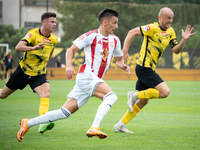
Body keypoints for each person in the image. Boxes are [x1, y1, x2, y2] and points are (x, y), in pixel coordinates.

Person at [17, 8, 130, 142]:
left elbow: (118, 60)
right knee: (111, 97)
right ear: (105, 22)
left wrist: (123, 66)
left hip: (92, 80)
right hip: (87, 75)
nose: (116, 26)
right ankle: (94, 127)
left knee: (63, 113)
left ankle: (27, 123)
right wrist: (69, 66)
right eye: (114, 23)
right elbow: (71, 50)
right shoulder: (91, 35)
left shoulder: (115, 40)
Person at [113, 7, 195, 133]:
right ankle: (133, 95)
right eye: (168, 18)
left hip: (149, 69)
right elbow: (131, 32)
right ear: (160, 18)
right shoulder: (152, 28)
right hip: (143, 68)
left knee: (144, 100)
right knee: (165, 92)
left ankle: (120, 125)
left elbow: (176, 50)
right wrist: (124, 52)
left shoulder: (171, 32)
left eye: (172, 18)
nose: (170, 21)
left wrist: (183, 40)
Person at [0, 12, 58, 134]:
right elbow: (18, 47)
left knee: (46, 94)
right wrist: (33, 48)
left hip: (38, 74)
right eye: (52, 22)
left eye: (55, 22)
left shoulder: (54, 39)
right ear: (44, 22)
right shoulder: (33, 34)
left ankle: (43, 123)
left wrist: (44, 62)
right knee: (3, 95)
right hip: (23, 72)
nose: (55, 24)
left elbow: (50, 52)